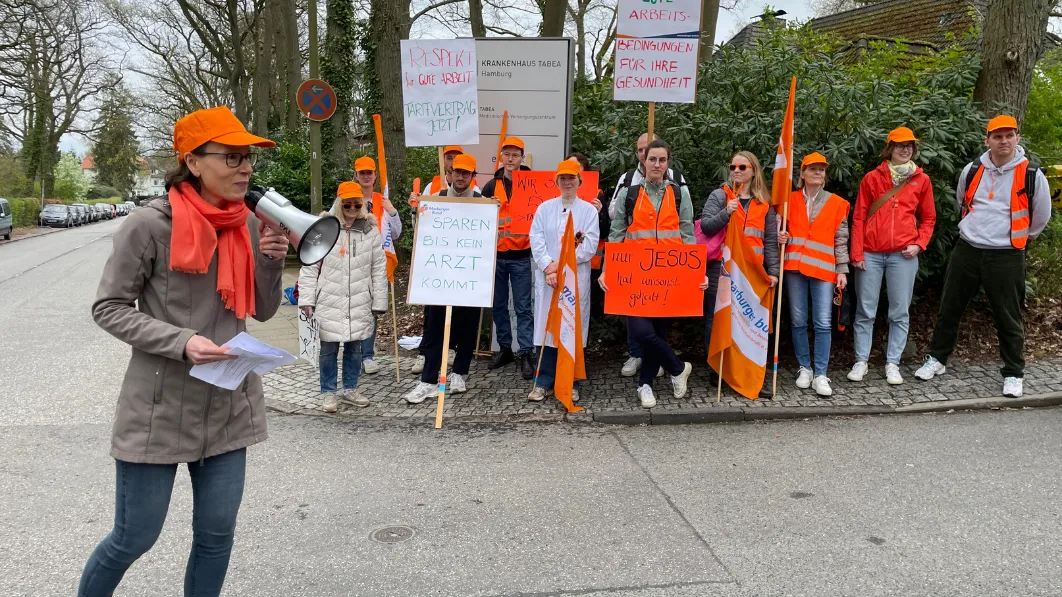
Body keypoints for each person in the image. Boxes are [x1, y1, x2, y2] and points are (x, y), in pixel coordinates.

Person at [80, 106, 288, 597]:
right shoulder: (149, 225)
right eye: (232, 157)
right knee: (134, 536)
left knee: (216, 538)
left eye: (249, 158)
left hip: (228, 404)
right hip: (158, 406)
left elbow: (260, 309)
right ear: (193, 162)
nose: (245, 168)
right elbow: (108, 307)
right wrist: (182, 341)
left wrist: (272, 263)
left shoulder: (247, 223)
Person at [915, 115, 1051, 397]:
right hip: (968, 249)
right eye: (997, 136)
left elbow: (1041, 217)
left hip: (1007, 254)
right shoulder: (973, 169)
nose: (1004, 141)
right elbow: (963, 201)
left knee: (1008, 315)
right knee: (950, 307)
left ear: (1017, 138)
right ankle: (937, 359)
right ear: (987, 140)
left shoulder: (1031, 173)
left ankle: (1013, 372)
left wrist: (1020, 238)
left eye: (1009, 136)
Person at [600, 139, 697, 409]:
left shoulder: (679, 193)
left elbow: (687, 232)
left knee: (659, 333)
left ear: (668, 163)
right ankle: (678, 368)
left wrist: (694, 272)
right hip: (634, 276)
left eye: (662, 160)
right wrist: (607, 269)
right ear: (644, 161)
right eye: (652, 159)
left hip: (670, 275)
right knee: (642, 331)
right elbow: (616, 232)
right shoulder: (629, 193)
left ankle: (646, 385)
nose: (656, 164)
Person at [848, 127, 936, 385]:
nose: (905, 148)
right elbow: (859, 217)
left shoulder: (922, 180)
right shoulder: (872, 178)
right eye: (899, 145)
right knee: (865, 311)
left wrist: (919, 244)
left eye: (909, 145)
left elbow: (929, 218)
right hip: (870, 254)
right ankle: (861, 361)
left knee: (899, 312)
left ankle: (893, 363)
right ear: (890, 148)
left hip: (903, 255)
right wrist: (857, 253)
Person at [298, 181, 387, 412]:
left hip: (359, 299)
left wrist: (379, 301)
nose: (352, 208)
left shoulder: (370, 231)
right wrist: (307, 299)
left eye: (357, 204)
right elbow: (309, 265)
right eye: (347, 203)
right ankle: (328, 392)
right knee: (328, 349)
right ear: (339, 203)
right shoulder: (323, 228)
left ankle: (350, 388)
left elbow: (379, 268)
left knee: (355, 347)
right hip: (329, 297)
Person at [403, 154, 485, 404]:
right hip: (439, 278)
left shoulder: (484, 203)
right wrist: (415, 212)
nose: (460, 177)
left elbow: (490, 240)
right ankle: (428, 381)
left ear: (473, 177)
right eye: (457, 172)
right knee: (436, 328)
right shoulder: (435, 200)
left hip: (469, 277)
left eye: (466, 173)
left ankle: (459, 373)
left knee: (468, 328)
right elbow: (421, 235)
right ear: (450, 173)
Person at [527, 159, 599, 402]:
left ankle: (572, 380)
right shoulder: (545, 208)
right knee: (547, 327)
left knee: (572, 325)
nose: (567, 182)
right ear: (556, 181)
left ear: (580, 181)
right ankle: (543, 380)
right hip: (549, 279)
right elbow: (535, 238)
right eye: (563, 178)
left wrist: (560, 265)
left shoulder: (588, 211)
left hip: (575, 280)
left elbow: (589, 246)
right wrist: (549, 266)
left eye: (572, 178)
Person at [779, 152, 850, 397]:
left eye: (822, 169)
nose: (818, 173)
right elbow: (780, 230)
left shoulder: (837, 203)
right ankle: (804, 368)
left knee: (822, 323)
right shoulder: (788, 200)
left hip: (823, 269)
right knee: (798, 321)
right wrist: (781, 237)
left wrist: (842, 269)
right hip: (794, 268)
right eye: (813, 169)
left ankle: (821, 373)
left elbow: (841, 240)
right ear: (802, 173)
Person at [699, 151, 780, 345]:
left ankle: (739, 370)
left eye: (742, 167)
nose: (736, 170)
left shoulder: (764, 203)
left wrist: (774, 272)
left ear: (754, 172)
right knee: (718, 315)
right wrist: (726, 212)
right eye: (733, 167)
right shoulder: (720, 195)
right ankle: (717, 369)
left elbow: (769, 240)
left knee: (746, 318)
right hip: (721, 268)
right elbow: (706, 226)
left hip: (751, 270)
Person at [407, 146, 468, 375]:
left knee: (459, 310)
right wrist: (416, 208)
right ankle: (426, 354)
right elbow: (422, 221)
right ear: (444, 160)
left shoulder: (475, 190)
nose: (452, 162)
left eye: (456, 158)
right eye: (449, 157)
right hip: (438, 261)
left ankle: (451, 349)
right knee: (432, 313)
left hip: (462, 261)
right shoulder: (431, 186)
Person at [482, 137, 536, 379]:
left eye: (515, 155)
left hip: (522, 255)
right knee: (499, 306)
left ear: (522, 157)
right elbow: (479, 220)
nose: (511, 159)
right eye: (507, 154)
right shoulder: (491, 186)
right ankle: (505, 349)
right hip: (497, 256)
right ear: (501, 156)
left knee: (523, 308)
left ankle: (526, 353)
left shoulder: (533, 184)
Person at [348, 156, 402, 376]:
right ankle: (354, 354)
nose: (366, 176)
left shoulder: (383, 200)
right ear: (356, 175)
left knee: (372, 311)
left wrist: (392, 212)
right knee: (355, 310)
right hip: (354, 262)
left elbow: (396, 233)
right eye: (362, 173)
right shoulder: (348, 198)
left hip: (378, 262)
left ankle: (367, 355)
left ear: (375, 176)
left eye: (370, 172)